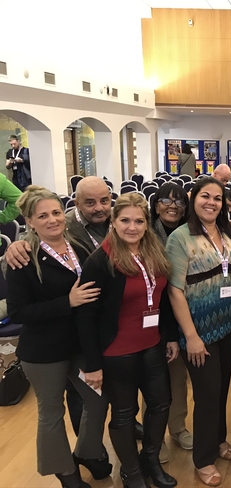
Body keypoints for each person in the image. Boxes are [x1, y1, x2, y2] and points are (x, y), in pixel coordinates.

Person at [7, 186, 110, 488]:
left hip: (79, 343)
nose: (52, 220)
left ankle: (86, 452)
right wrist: (68, 302)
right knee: (51, 412)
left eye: (55, 212)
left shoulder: (77, 246)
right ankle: (65, 472)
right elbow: (18, 312)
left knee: (98, 398)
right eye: (43, 216)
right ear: (30, 221)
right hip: (43, 352)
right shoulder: (23, 257)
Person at [76, 193, 178, 488]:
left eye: (138, 221)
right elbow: (86, 316)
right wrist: (93, 365)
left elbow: (164, 300)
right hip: (117, 351)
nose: (132, 227)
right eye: (125, 220)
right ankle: (131, 472)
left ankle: (151, 459)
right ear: (113, 222)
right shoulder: (101, 259)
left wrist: (170, 337)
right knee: (124, 414)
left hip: (153, 344)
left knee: (161, 404)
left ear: (147, 224)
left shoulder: (154, 251)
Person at [165, 177, 231, 486]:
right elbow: (175, 291)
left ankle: (217, 440)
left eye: (218, 198)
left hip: (229, 324)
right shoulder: (179, 238)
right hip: (199, 330)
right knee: (206, 392)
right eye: (206, 196)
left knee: (220, 388)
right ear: (193, 198)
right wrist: (190, 336)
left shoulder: (229, 234)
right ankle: (203, 459)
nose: (212, 202)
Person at [149, 183, 193, 457]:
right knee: (153, 381)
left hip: (180, 313)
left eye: (179, 202)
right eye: (166, 200)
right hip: (150, 317)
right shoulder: (143, 233)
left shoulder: (189, 233)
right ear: (155, 205)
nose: (173, 205)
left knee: (178, 378)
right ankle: (155, 437)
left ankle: (177, 428)